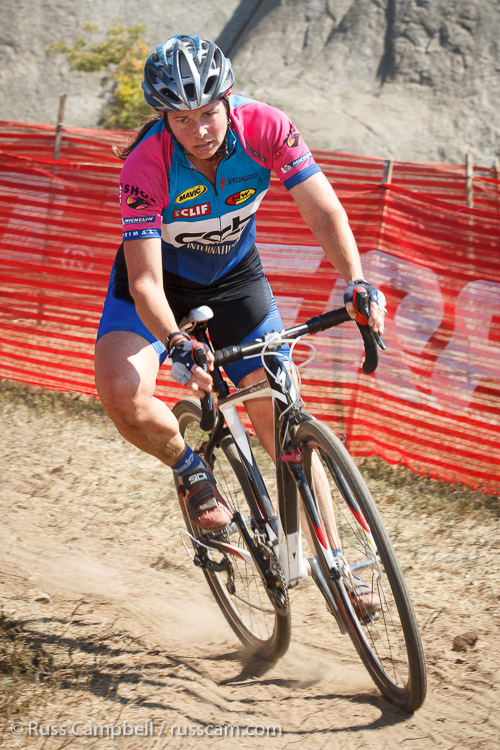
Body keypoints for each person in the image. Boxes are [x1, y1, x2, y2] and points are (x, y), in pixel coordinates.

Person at [94, 35, 385, 607]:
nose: (199, 129)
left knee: (280, 420)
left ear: (228, 98)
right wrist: (176, 341)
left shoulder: (267, 128)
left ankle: (341, 568)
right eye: (182, 118)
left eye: (208, 112)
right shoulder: (145, 164)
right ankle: (191, 470)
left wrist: (356, 280)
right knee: (121, 391)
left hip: (234, 282)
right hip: (160, 288)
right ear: (164, 117)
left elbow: (323, 210)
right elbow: (145, 282)